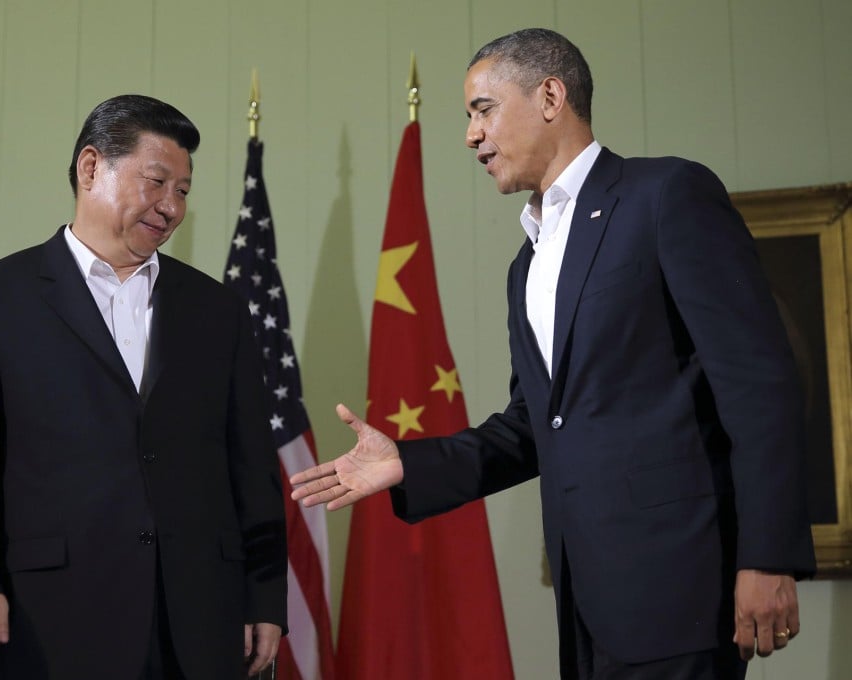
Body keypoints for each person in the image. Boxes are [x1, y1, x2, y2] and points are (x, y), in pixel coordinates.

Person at [291, 28, 815, 680]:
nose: (470, 136)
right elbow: (533, 428)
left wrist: (766, 557)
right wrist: (408, 463)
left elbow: (758, 381)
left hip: (682, 591)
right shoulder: (526, 265)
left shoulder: (666, 197)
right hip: (587, 605)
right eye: (468, 117)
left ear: (549, 95)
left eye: (482, 109)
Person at [0, 94, 287, 680]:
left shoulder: (218, 310)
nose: (171, 206)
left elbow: (252, 469)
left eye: (183, 191)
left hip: (200, 626)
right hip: (48, 626)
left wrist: (264, 596)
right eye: (157, 181)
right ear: (91, 168)